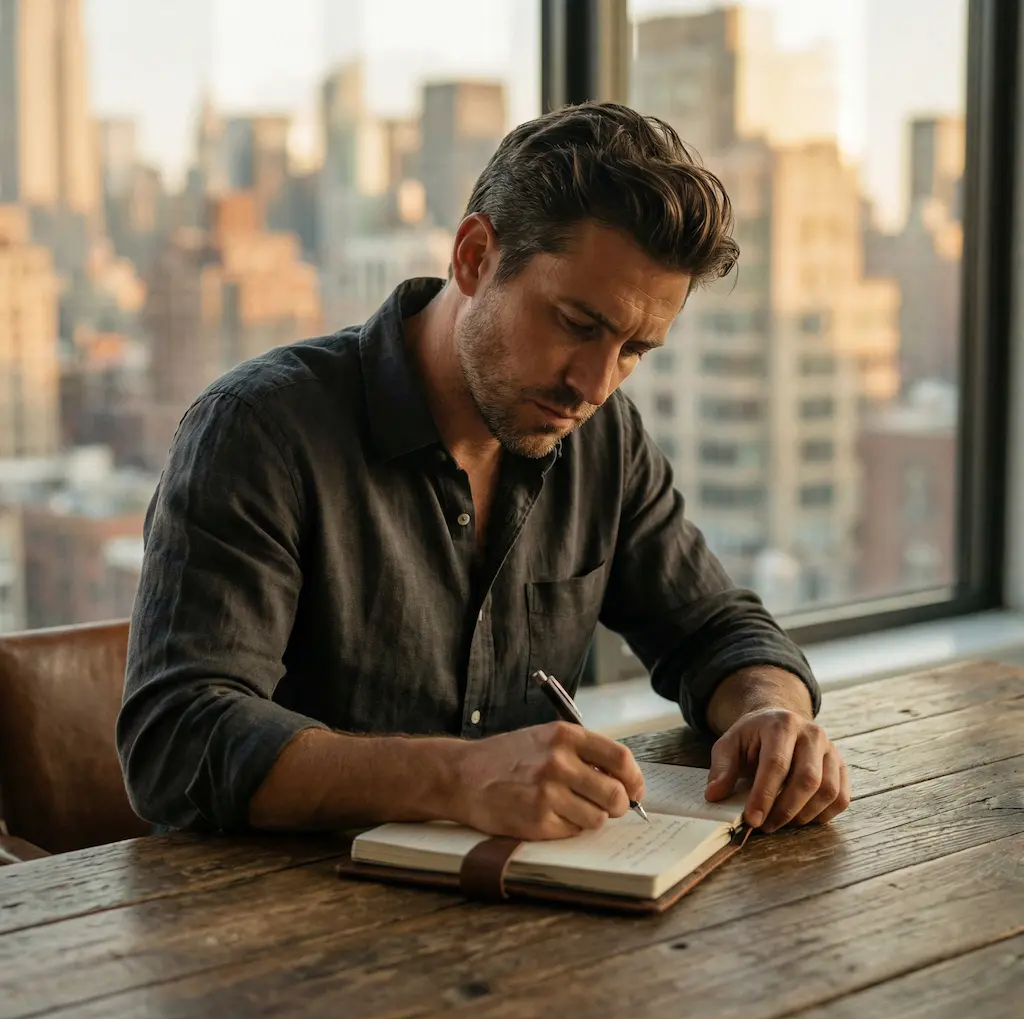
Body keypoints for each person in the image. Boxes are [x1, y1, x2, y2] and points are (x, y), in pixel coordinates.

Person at [117, 101, 850, 843]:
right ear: (474, 258)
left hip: (535, 895)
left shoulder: (603, 437)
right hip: (284, 901)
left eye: (634, 350)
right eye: (577, 324)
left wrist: (770, 711)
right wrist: (457, 778)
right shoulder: (258, 430)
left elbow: (715, 627)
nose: (595, 385)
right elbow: (175, 737)